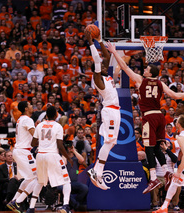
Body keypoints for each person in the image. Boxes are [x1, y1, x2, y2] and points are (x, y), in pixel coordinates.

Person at [106, 41, 184, 194]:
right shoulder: (160, 83)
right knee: (158, 146)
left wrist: (114, 52)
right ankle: (167, 171)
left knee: (148, 148)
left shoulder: (141, 80)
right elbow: (174, 95)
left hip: (149, 117)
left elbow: (125, 68)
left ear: (150, 73)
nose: (144, 69)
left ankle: (153, 178)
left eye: (146, 68)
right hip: (160, 116)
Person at [85, 31, 121, 190]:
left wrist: (100, 40)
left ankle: (97, 172)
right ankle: (97, 171)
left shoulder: (107, 76)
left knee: (111, 143)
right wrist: (91, 43)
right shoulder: (98, 79)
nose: (106, 65)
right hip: (110, 111)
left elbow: (106, 57)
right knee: (109, 142)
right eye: (102, 66)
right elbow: (98, 61)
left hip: (114, 111)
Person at [31, 106, 73, 213]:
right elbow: (60, 144)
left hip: (40, 155)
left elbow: (33, 143)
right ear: (55, 115)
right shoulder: (58, 126)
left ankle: (31, 208)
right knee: (66, 181)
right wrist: (68, 157)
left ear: (46, 115)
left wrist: (43, 142)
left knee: (40, 181)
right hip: (52, 155)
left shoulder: (40, 125)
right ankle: (65, 206)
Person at [6, 101, 40, 213]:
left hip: (21, 151)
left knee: (29, 178)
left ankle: (15, 200)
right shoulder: (27, 119)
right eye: (30, 105)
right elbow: (35, 136)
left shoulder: (20, 119)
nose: (32, 106)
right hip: (23, 152)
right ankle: (17, 201)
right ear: (26, 108)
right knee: (37, 178)